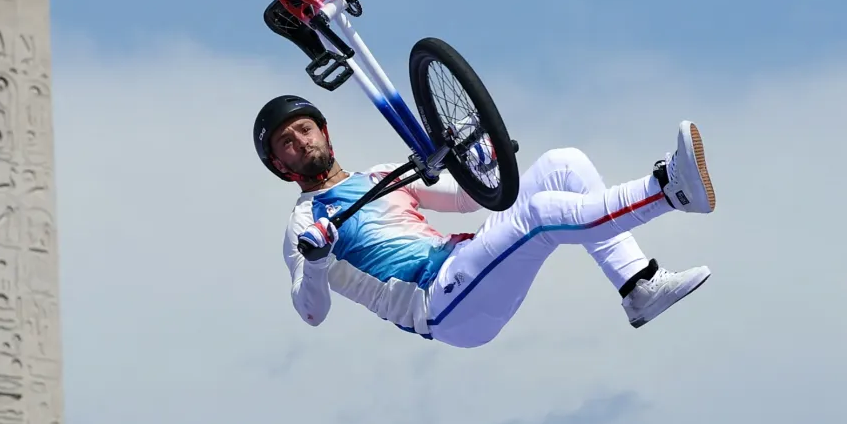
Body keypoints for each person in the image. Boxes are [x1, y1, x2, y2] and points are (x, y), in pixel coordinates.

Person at [255, 94, 715, 346]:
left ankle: (639, 287)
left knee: (562, 163)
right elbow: (311, 313)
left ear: (324, 131)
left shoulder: (379, 176)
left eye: (304, 128)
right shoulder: (304, 224)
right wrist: (315, 259)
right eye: (286, 142)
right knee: (540, 216)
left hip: (464, 264)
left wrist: (484, 159)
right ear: (281, 165)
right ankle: (667, 190)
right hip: (439, 306)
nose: (299, 140)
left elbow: (466, 199)